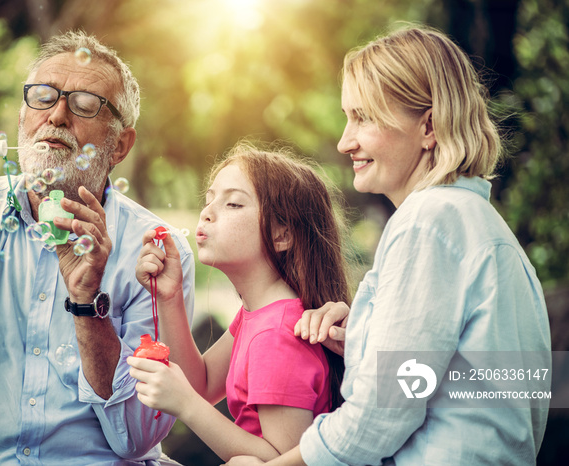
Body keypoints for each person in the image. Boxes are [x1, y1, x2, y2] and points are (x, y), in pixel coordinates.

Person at [227, 24, 552, 466]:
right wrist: (362, 337)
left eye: (364, 117)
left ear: (429, 127)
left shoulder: (428, 223)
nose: (345, 141)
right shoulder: (477, 225)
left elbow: (378, 418)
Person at [0, 31, 195, 465]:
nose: (58, 115)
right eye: (43, 97)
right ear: (23, 117)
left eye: (85, 104)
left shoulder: (157, 250)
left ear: (120, 145)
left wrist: (87, 304)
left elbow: (137, 437)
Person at [127, 143, 350, 462]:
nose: (207, 212)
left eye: (232, 203)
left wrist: (186, 405)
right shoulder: (259, 315)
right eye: (209, 200)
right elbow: (202, 384)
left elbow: (281, 459)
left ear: (282, 235)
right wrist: (170, 297)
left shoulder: (276, 335)